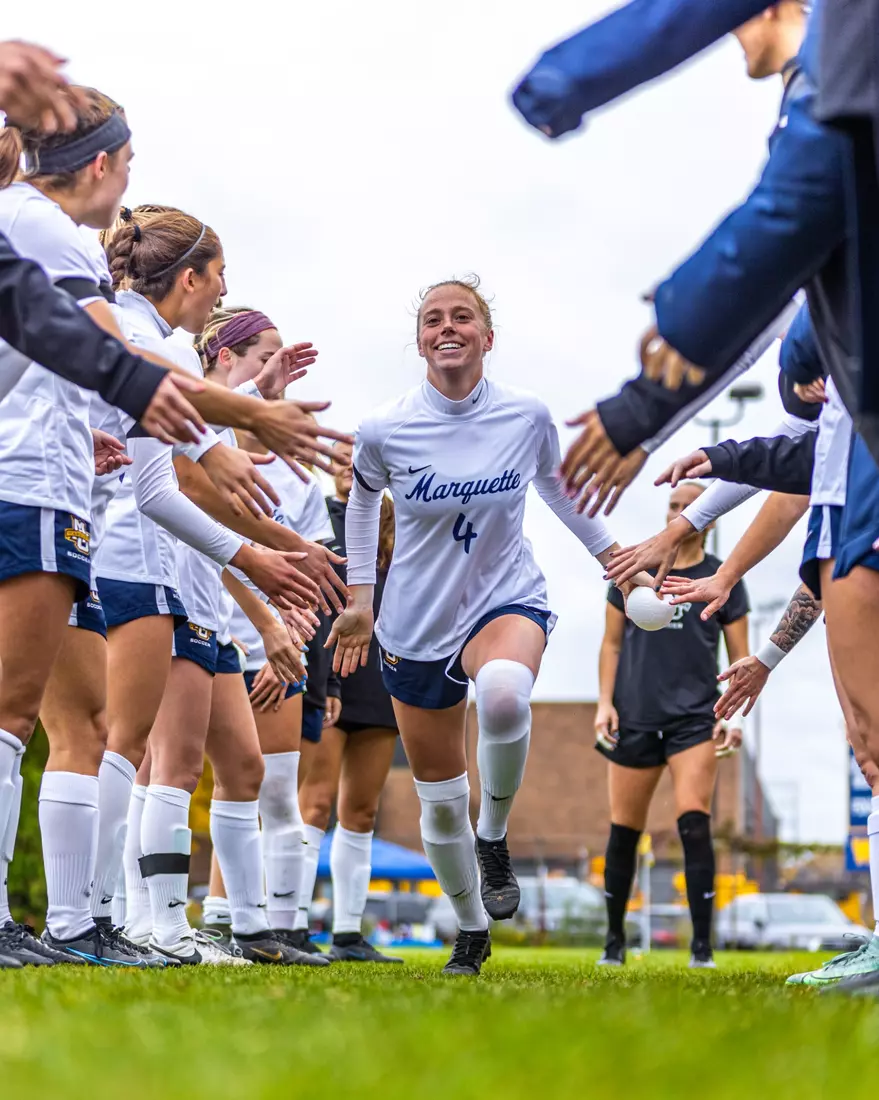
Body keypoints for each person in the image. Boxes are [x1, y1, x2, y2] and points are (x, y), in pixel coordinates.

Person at [329, 277, 652, 976]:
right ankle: (471, 930)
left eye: (462, 317)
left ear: (486, 336)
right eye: (432, 320)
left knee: (505, 692)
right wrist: (360, 598)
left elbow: (561, 491)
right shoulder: (385, 427)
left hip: (504, 597)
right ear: (418, 340)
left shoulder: (525, 416)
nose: (447, 328)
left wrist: (615, 561)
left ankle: (495, 836)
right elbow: (359, 506)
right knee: (438, 805)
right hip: (414, 622)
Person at [594, 483, 749, 968]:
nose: (680, 513)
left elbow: (741, 658)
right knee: (624, 830)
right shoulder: (634, 568)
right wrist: (605, 703)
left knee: (694, 822)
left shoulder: (724, 578)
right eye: (674, 506)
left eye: (691, 507)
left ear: (711, 517)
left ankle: (702, 948)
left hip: (694, 718)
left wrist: (735, 714)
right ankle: (614, 943)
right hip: (636, 714)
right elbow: (611, 645)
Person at [298, 441, 403, 964]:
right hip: (329, 674)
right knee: (314, 803)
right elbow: (311, 603)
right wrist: (326, 684)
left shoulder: (397, 523)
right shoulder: (315, 516)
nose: (347, 466)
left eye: (356, 458)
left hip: (383, 683)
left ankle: (347, 933)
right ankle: (290, 924)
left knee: (360, 810)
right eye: (338, 457)